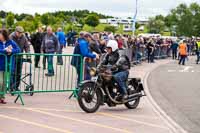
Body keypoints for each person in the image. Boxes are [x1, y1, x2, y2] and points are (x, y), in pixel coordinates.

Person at [0, 29, 21, 103]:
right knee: (0, 82)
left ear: (4, 35)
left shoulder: (11, 42)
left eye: (1, 35)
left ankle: (2, 97)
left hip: (7, 65)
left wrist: (11, 51)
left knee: (5, 83)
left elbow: (18, 50)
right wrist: (5, 50)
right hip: (0, 66)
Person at [10, 26, 30, 91]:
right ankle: (11, 87)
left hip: (20, 57)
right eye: (19, 32)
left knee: (19, 72)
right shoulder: (11, 37)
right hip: (12, 57)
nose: (20, 34)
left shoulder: (24, 37)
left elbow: (27, 46)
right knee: (13, 72)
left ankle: (16, 87)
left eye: (21, 33)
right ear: (15, 31)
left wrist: (28, 55)